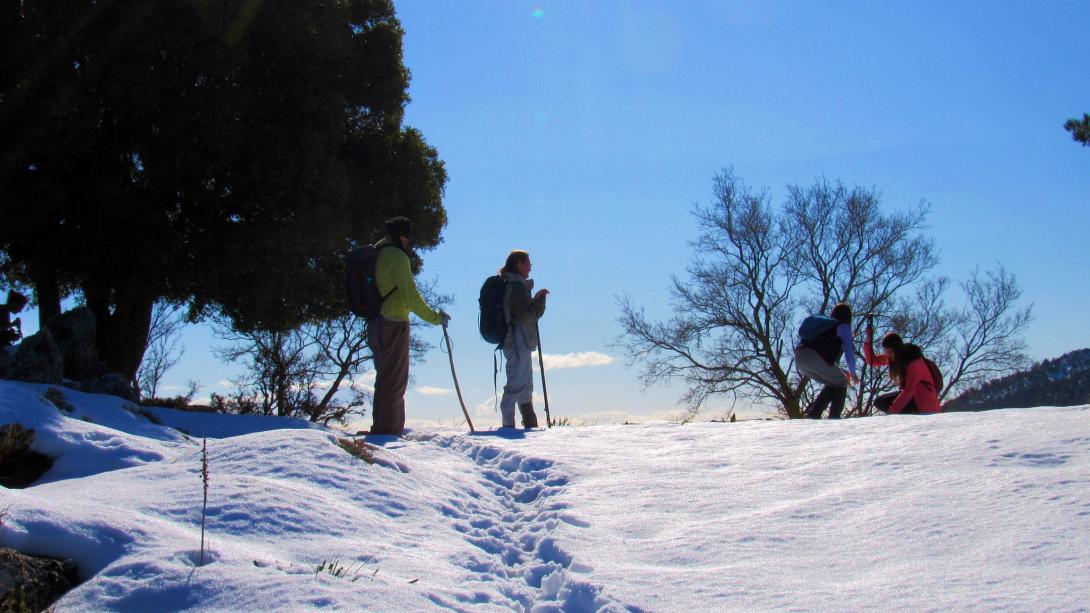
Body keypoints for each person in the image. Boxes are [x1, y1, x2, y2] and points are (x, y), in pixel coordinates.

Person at [368, 217, 449, 436]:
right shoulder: (396, 256)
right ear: (403, 236)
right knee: (395, 380)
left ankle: (381, 428)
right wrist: (435, 317)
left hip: (374, 322)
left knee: (384, 377)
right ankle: (389, 433)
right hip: (394, 322)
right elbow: (410, 295)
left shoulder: (376, 252)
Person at [498, 250, 548, 429]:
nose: (530, 268)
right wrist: (540, 302)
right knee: (517, 384)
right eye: (528, 264)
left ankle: (529, 424)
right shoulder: (516, 286)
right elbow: (526, 316)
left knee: (524, 384)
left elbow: (521, 311)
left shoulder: (513, 284)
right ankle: (509, 428)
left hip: (516, 341)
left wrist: (535, 299)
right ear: (519, 264)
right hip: (518, 340)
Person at [795, 303, 859, 419]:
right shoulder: (843, 327)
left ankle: (814, 414)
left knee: (834, 381)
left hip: (799, 358)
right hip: (813, 356)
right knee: (842, 381)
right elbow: (849, 353)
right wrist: (853, 373)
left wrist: (843, 371)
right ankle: (834, 417)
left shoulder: (825, 325)